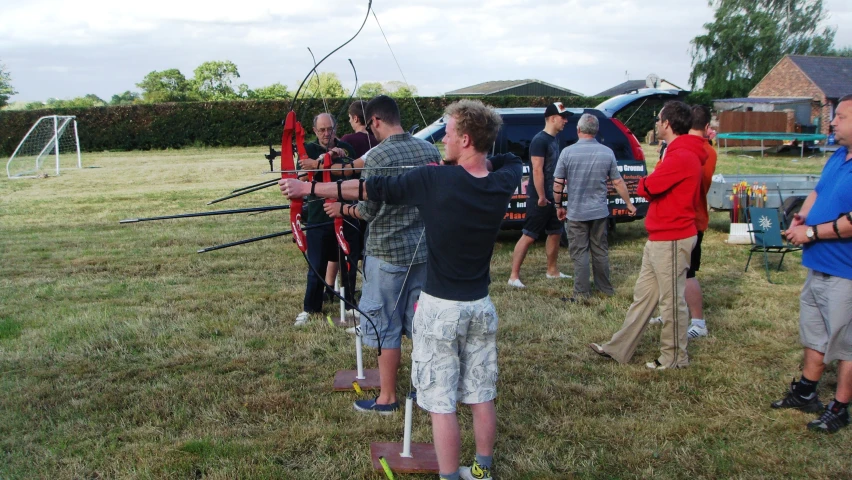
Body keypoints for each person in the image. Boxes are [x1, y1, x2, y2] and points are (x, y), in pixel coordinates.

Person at [281, 99, 522, 480]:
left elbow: (368, 187)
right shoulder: (501, 180)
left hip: (441, 310)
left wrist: (308, 187)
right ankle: (482, 469)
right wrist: (476, 162)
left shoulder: (434, 180)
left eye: (450, 130)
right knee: (480, 393)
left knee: (441, 402)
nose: (442, 137)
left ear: (465, 138)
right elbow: (510, 160)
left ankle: (448, 476)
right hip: (481, 306)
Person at [321, 95, 441, 414]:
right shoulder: (430, 150)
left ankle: (387, 398)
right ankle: (425, 389)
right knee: (419, 323)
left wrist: (342, 208)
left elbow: (368, 209)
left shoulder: (379, 156)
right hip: (423, 252)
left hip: (388, 253)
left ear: (374, 121)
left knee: (385, 324)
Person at [589, 101, 706, 370]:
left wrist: (645, 183)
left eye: (659, 119)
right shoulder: (676, 152)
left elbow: (649, 187)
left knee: (671, 301)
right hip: (660, 236)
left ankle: (674, 357)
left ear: (667, 123)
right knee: (643, 297)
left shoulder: (682, 155)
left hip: (673, 237)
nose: (656, 123)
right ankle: (619, 348)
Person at [772, 94, 852, 433]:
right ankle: (806, 392)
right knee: (815, 331)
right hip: (819, 264)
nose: (832, 122)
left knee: (847, 344)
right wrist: (800, 217)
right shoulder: (837, 156)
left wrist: (812, 233)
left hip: (845, 272)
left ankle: (840, 407)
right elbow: (818, 192)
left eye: (841, 117)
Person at [553, 113, 636, 300]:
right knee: (600, 250)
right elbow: (618, 182)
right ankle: (605, 288)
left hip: (576, 213)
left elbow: (558, 183)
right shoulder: (607, 152)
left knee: (580, 252)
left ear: (578, 130)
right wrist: (629, 203)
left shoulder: (567, 153)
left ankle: (582, 293)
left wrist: (558, 205)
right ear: (597, 131)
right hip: (599, 212)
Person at [290, 113, 359, 326]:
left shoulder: (346, 149)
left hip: (345, 213)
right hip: (320, 215)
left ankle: (349, 305)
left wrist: (337, 156)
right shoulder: (309, 150)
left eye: (329, 129)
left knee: (349, 262)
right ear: (315, 131)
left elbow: (354, 174)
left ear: (336, 128)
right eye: (321, 130)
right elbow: (301, 177)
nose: (326, 134)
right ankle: (310, 307)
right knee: (316, 264)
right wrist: (323, 159)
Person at [507, 102, 572, 288]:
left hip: (553, 196)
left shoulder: (554, 139)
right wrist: (542, 197)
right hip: (540, 198)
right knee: (529, 234)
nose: (566, 121)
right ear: (552, 118)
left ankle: (552, 271)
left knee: (556, 232)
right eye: (563, 117)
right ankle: (513, 277)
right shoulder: (540, 140)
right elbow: (536, 170)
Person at [683, 105, 718, 338]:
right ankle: (676, 313)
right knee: (680, 272)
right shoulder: (709, 150)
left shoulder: (688, 151)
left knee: (687, 274)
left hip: (690, 220)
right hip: (695, 218)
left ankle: (698, 322)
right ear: (706, 127)